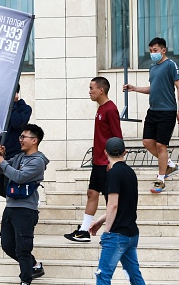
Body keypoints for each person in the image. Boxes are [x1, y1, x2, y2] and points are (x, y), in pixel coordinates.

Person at [65, 77, 123, 242]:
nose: (89, 91)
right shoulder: (100, 108)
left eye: (91, 88)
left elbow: (117, 136)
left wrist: (114, 162)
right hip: (98, 161)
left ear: (101, 90)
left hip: (106, 162)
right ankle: (84, 230)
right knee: (92, 193)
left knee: (109, 198)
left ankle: (113, 231)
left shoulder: (110, 109)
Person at [123, 37, 179, 193]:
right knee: (148, 142)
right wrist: (134, 88)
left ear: (163, 50)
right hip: (153, 111)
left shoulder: (171, 65)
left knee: (161, 145)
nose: (152, 53)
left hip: (167, 111)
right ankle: (170, 165)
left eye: (155, 50)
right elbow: (153, 88)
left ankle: (161, 179)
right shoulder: (152, 67)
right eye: (150, 51)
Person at [0, 124, 49, 285]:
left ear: (34, 140)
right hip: (10, 207)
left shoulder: (38, 161)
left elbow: (19, 177)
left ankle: (25, 280)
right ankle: (33, 265)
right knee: (7, 245)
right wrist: (0, 158)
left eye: (24, 137)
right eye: (20, 137)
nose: (21, 140)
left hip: (26, 209)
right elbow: (3, 171)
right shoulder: (18, 157)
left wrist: (3, 163)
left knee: (23, 248)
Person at [90, 137, 146, 285]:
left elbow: (113, 205)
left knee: (103, 276)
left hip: (117, 235)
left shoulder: (113, 173)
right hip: (131, 234)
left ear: (105, 152)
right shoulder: (130, 172)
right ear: (125, 152)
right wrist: (99, 222)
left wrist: (107, 231)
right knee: (135, 277)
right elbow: (120, 205)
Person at [0, 83, 32, 198]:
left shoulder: (25, 109)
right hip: (0, 154)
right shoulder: (2, 109)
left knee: (10, 188)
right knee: (1, 190)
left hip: (15, 155)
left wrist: (14, 104)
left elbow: (17, 123)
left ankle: (14, 210)